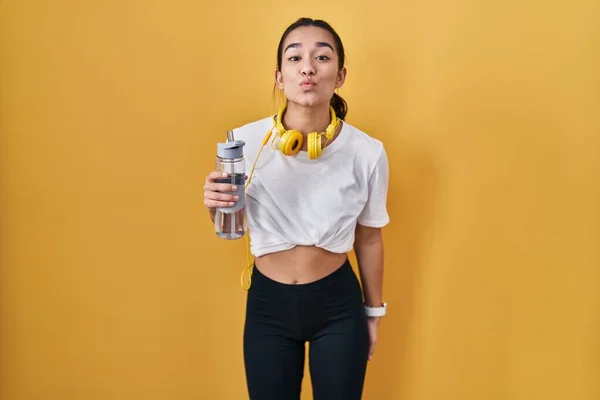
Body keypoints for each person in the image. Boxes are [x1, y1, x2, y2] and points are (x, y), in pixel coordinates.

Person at [203, 17, 390, 400]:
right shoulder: (241, 143)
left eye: (322, 57)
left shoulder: (367, 152)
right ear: (279, 75)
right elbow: (230, 222)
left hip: (338, 306)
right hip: (268, 305)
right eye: (295, 58)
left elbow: (369, 238)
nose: (308, 67)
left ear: (339, 75)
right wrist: (215, 205)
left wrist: (373, 314)